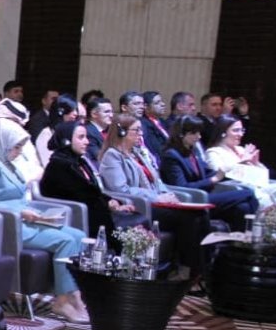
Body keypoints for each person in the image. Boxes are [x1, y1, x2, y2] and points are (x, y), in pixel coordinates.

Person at [0, 119, 88, 323]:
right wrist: (22, 213)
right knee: (66, 241)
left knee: (79, 236)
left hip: (27, 218)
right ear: (2, 142)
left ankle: (75, 294)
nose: (19, 152)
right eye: (16, 147)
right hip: (12, 224)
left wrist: (34, 212)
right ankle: (63, 300)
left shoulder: (9, 164)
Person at [100, 113, 211, 277]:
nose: (141, 134)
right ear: (122, 132)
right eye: (136, 130)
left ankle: (202, 271)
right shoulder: (112, 156)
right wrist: (156, 197)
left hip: (157, 203)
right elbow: (121, 189)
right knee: (188, 218)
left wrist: (167, 194)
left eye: (141, 130)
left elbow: (157, 181)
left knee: (201, 214)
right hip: (140, 206)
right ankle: (186, 271)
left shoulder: (138, 153)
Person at [205, 114, 276, 237]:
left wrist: (256, 163)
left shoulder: (241, 149)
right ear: (223, 132)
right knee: (263, 197)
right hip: (234, 188)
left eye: (242, 130)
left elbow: (264, 173)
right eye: (235, 130)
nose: (240, 134)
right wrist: (242, 161)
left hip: (255, 183)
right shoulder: (213, 152)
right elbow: (219, 173)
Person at [39, 121, 145, 242]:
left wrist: (111, 201)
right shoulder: (58, 166)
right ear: (66, 141)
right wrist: (110, 206)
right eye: (81, 137)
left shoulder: (79, 162)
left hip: (95, 211)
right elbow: (84, 196)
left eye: (86, 137)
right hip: (80, 216)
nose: (87, 142)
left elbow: (92, 192)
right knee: (134, 223)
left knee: (140, 218)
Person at [160, 115, 259, 229]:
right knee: (248, 193)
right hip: (192, 198)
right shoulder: (171, 156)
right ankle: (255, 233)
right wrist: (214, 179)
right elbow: (182, 186)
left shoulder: (191, 151)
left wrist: (228, 174)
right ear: (182, 134)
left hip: (204, 195)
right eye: (194, 133)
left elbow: (207, 172)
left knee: (243, 207)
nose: (199, 136)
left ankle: (242, 238)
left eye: (199, 132)